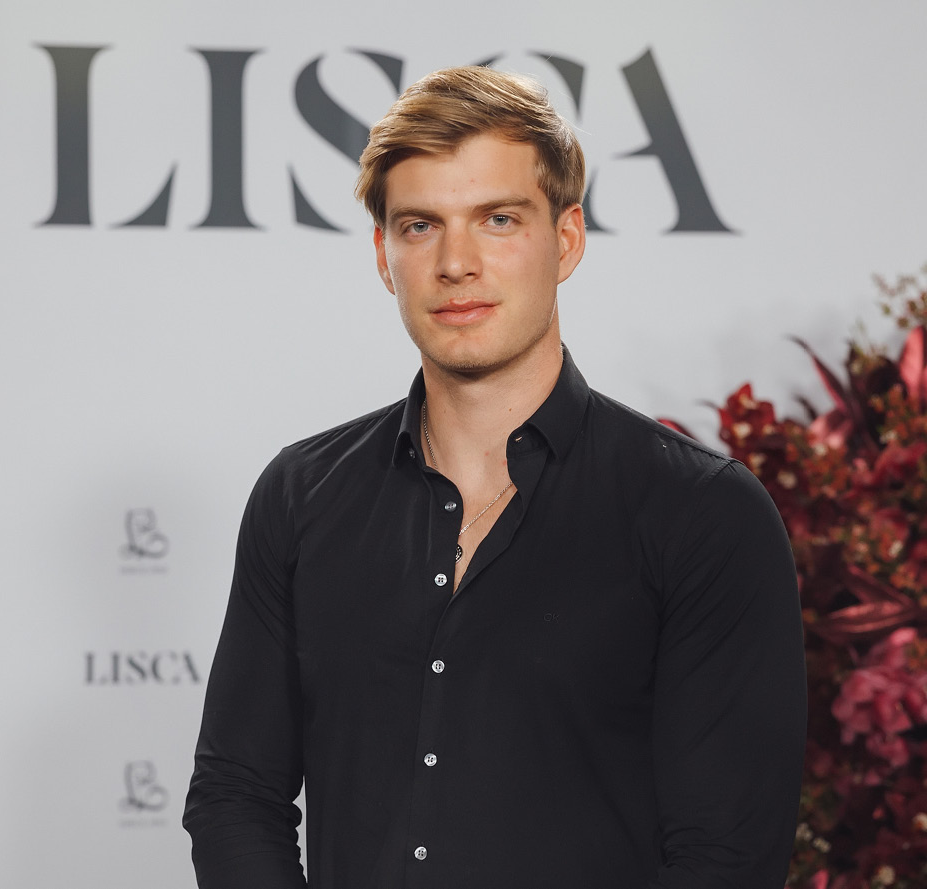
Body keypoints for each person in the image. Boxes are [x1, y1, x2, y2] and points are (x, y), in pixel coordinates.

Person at [183, 66, 806, 888]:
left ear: (566, 239)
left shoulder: (701, 513)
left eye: (498, 219)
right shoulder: (300, 496)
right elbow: (236, 795)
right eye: (419, 226)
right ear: (384, 256)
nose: (456, 262)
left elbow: (726, 857)